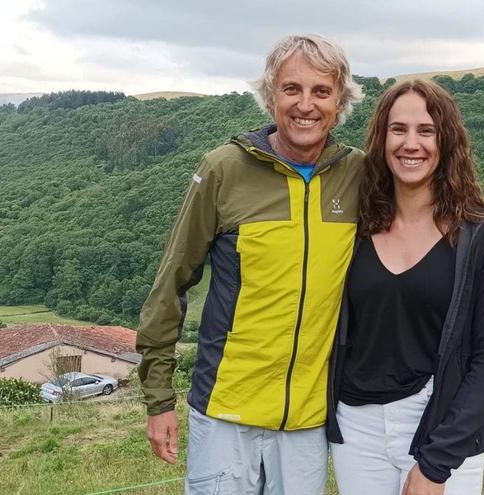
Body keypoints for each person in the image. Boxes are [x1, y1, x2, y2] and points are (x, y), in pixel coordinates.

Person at [135, 34, 364, 494]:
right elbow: (172, 281)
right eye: (291, 89)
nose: (306, 104)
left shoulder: (359, 174)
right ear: (270, 96)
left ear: (340, 102)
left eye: (322, 91)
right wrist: (159, 399)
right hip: (225, 411)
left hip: (306, 419)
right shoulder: (224, 169)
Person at [326, 79, 484, 495]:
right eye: (398, 129)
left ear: (446, 140)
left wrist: (436, 465)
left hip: (439, 420)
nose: (410, 143)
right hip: (356, 425)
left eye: (425, 130)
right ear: (381, 138)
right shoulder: (354, 226)